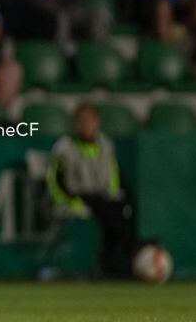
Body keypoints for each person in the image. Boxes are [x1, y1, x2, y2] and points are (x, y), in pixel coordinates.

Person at [46, 103, 137, 279]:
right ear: (74, 124)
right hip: (76, 197)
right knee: (113, 216)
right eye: (82, 121)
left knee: (119, 210)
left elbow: (113, 178)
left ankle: (112, 263)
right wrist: (70, 202)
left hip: (101, 198)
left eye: (89, 121)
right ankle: (120, 260)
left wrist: (112, 196)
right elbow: (54, 183)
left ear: (97, 122)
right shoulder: (64, 148)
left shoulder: (106, 145)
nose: (86, 125)